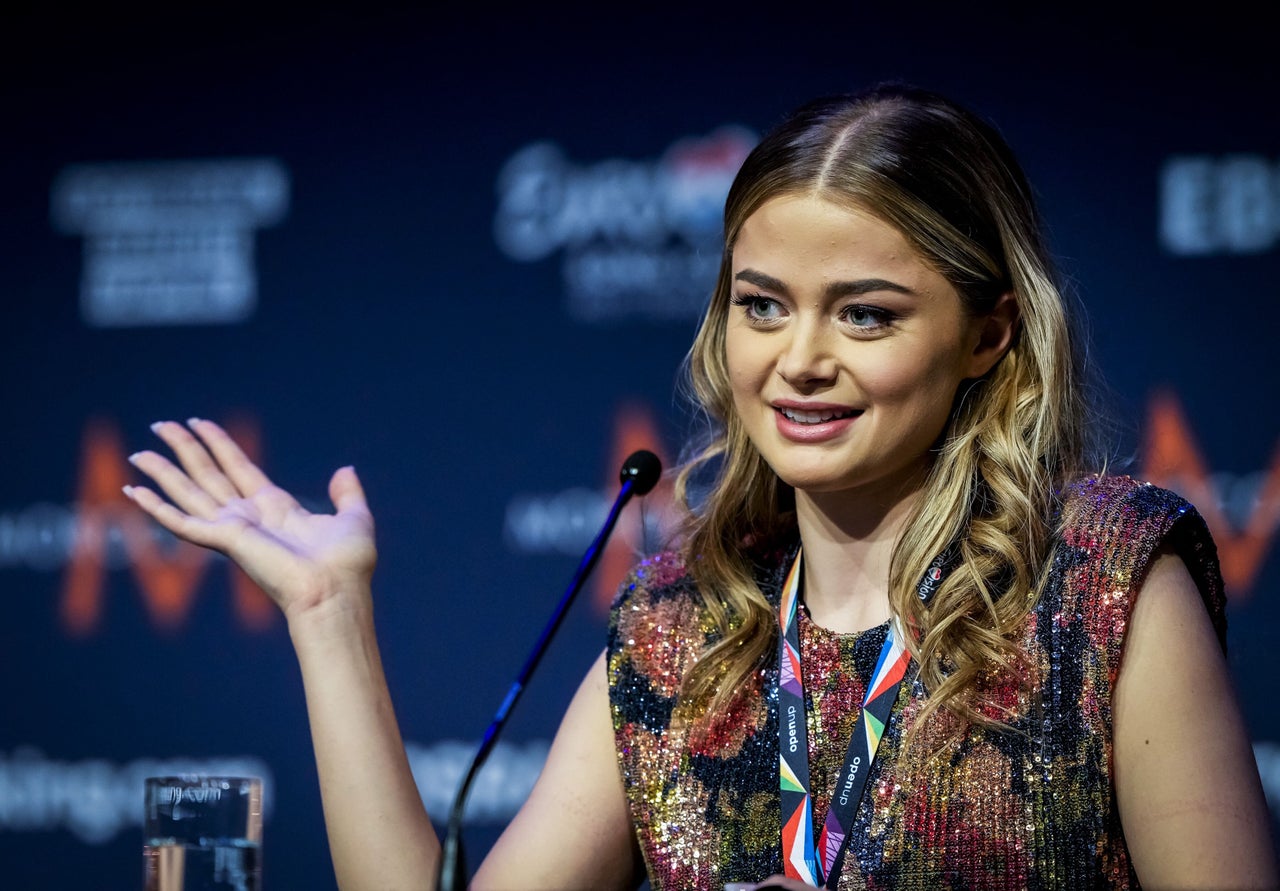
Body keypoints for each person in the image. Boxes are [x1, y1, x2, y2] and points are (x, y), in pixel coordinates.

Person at [123, 82, 1279, 890]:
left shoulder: (1101, 583)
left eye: (863, 314)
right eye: (761, 304)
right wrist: (329, 619)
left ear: (986, 336)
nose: (798, 359)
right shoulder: (688, 626)